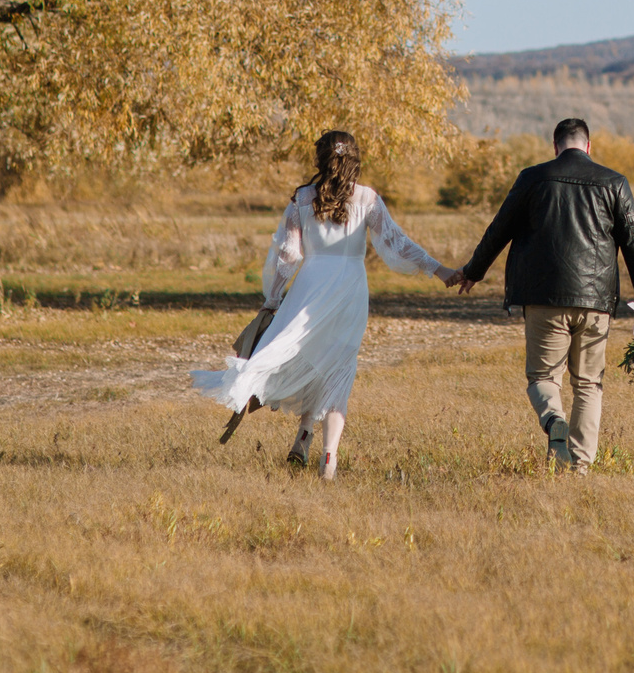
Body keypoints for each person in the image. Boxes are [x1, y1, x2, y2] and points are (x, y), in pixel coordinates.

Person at [193, 130, 462, 480]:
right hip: (350, 288)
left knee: (307, 355)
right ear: (355, 160)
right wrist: (439, 269)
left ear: (321, 159)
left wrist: (273, 299)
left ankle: (304, 437)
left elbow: (288, 254)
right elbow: (397, 242)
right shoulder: (367, 198)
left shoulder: (303, 199)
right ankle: (328, 461)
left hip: (310, 286)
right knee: (337, 368)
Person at [448, 117, 634, 473]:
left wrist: (473, 271)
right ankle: (580, 468)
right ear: (588, 146)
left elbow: (499, 230)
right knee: (588, 384)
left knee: (543, 378)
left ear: (555, 146)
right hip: (596, 302)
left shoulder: (532, 178)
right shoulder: (614, 183)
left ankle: (553, 420)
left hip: (543, 297)